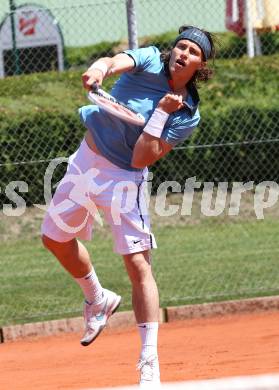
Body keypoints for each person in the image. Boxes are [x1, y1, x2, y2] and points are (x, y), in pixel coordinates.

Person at [41, 25, 215, 388]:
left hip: (124, 177)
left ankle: (149, 362)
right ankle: (98, 298)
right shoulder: (150, 58)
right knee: (54, 238)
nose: (183, 53)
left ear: (201, 65)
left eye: (192, 51)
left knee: (138, 265)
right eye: (180, 46)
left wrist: (161, 114)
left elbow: (140, 158)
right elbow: (113, 60)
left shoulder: (187, 113)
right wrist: (100, 70)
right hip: (85, 160)